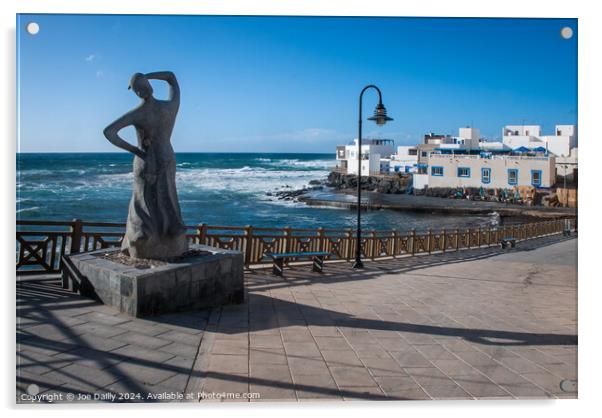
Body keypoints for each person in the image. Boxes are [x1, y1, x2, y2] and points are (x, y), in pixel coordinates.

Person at [103, 71, 188, 259]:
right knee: (167, 194)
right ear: (149, 87)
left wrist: (138, 151)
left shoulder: (138, 113)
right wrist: (148, 76)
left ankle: (142, 234)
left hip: (146, 161)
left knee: (143, 199)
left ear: (137, 93)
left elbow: (109, 132)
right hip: (166, 157)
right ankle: (172, 229)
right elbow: (172, 78)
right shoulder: (169, 107)